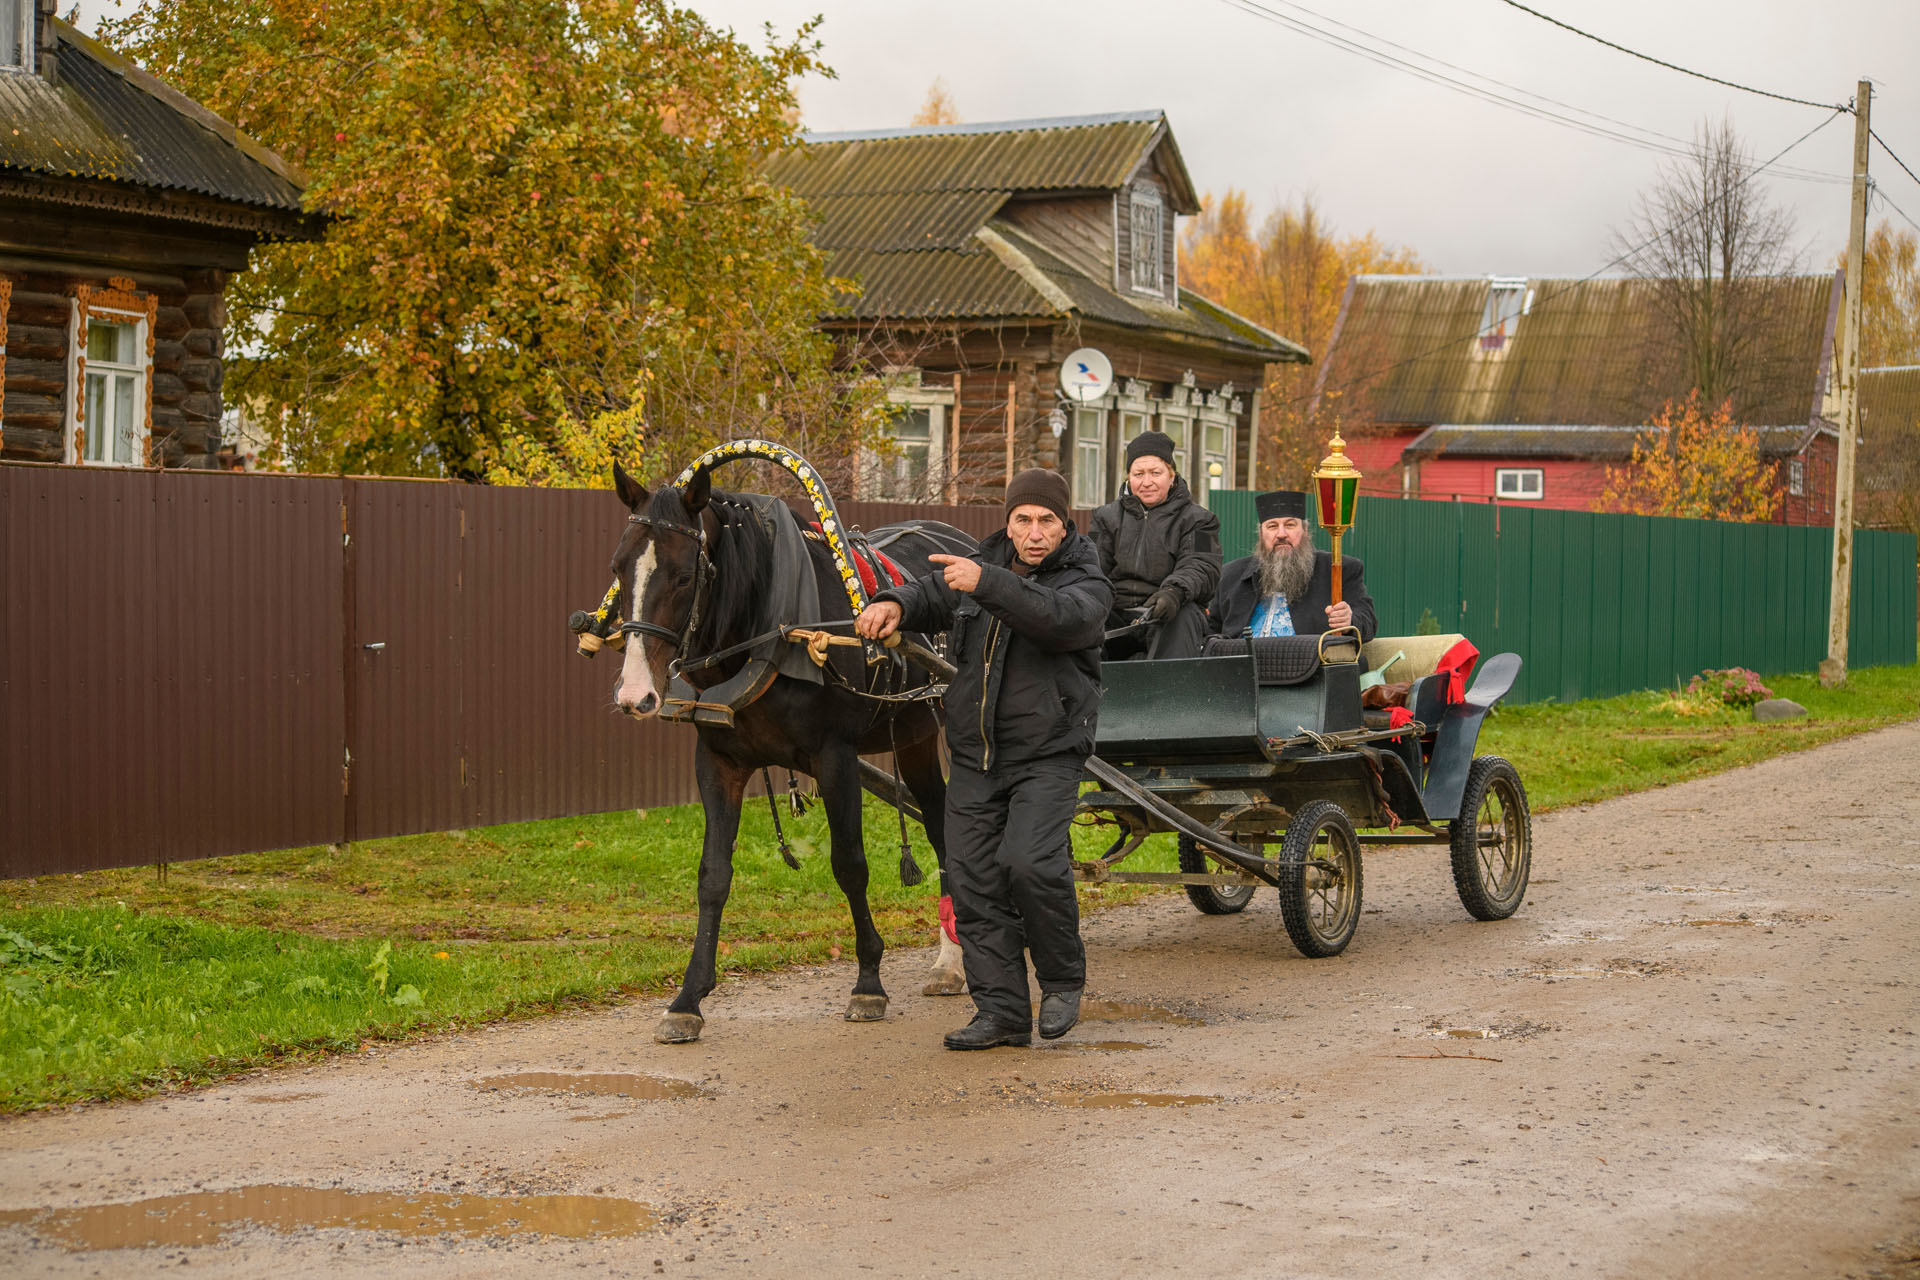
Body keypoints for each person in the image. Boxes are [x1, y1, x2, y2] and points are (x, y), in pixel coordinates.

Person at [855, 468, 1110, 1050]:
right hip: (974, 754)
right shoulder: (984, 561)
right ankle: (1002, 1014)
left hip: (1048, 752)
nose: (1034, 531)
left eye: (1047, 520)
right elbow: (931, 594)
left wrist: (987, 581)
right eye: (1023, 518)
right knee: (971, 880)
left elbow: (1057, 617)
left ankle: (1063, 980)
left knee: (1030, 865)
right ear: (1009, 521)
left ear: (1065, 524)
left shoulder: (1085, 581)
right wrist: (894, 602)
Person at [1089, 430, 1220, 660]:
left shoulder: (1201, 520)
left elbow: (1203, 566)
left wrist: (1173, 592)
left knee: (1185, 615)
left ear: (1171, 476)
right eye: (1138, 473)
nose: (1146, 482)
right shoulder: (1105, 518)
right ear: (1128, 477)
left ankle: (1171, 693)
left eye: (1155, 473)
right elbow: (1092, 567)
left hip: (1168, 612)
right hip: (1117, 616)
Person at [1210, 490, 1378, 642]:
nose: (1281, 534)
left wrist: (1349, 620)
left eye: (1290, 525)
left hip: (1312, 669)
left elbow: (1368, 622)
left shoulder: (1339, 569)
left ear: (1305, 530)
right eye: (1272, 526)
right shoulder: (1230, 575)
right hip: (1243, 670)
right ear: (1261, 534)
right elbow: (1210, 630)